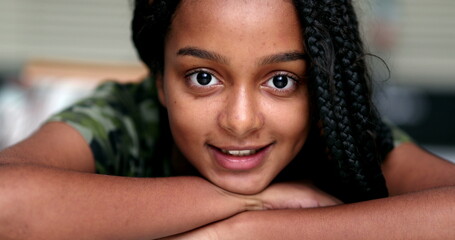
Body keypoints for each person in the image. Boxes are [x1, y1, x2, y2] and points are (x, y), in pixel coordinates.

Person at [0, 0, 454, 239]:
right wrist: (254, 202)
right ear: (159, 79)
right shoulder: (124, 117)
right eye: (203, 77)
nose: (240, 122)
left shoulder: (338, 130)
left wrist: (254, 232)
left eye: (280, 81)